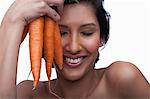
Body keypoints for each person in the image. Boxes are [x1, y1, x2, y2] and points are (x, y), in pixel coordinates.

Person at [0, 0, 149, 99]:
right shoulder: (28, 93)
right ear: (43, 40)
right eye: (61, 33)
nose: (73, 47)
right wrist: (12, 20)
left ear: (101, 38)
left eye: (87, 33)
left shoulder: (122, 78)